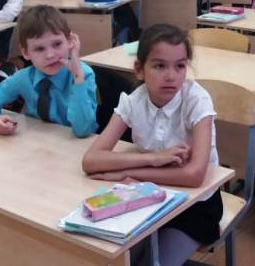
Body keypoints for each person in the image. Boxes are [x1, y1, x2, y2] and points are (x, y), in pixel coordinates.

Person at [82, 24, 222, 266]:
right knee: (116, 258)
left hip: (195, 207)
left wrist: (127, 173)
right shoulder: (133, 101)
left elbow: (194, 175)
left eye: (180, 66)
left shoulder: (196, 100)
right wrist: (153, 159)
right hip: (147, 198)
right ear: (139, 69)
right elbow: (91, 160)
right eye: (159, 66)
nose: (171, 76)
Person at [0, 5, 98, 138]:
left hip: (72, 146)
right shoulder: (24, 77)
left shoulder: (83, 74)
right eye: (39, 49)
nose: (50, 55)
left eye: (57, 44)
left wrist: (78, 77)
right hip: (36, 142)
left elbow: (83, 130)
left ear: (69, 42)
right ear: (26, 53)